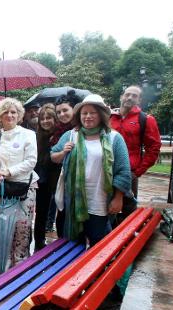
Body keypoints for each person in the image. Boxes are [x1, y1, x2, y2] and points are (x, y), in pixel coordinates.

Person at [51, 94, 132, 246]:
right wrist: (63, 153)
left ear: (101, 115)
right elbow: (53, 156)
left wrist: (118, 197)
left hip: (99, 202)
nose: (88, 116)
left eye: (92, 112)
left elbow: (123, 171)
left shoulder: (114, 138)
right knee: (74, 245)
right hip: (73, 202)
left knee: (100, 246)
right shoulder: (70, 136)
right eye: (84, 113)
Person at [0, 98, 38, 267]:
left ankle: (20, 264)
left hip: (25, 187)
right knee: (6, 226)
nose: (9, 115)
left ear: (19, 116)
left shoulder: (29, 134)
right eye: (6, 112)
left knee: (22, 228)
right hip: (4, 189)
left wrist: (7, 172)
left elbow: (31, 161)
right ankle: (5, 261)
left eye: (13, 112)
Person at [110, 85, 161, 221]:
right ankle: (105, 239)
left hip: (129, 173)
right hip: (106, 170)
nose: (130, 98)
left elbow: (154, 147)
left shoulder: (146, 119)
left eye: (134, 96)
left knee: (128, 212)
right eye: (127, 94)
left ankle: (127, 241)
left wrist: (138, 171)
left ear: (139, 100)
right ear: (121, 97)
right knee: (106, 209)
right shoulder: (109, 117)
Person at [51, 91, 81, 237]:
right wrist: (63, 153)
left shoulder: (83, 128)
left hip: (83, 182)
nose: (62, 114)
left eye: (65, 110)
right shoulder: (63, 132)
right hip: (63, 178)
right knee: (63, 214)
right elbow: (54, 154)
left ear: (74, 109)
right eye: (59, 112)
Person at [33, 104, 58, 250]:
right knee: (41, 213)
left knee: (59, 211)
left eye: (49, 118)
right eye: (42, 118)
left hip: (56, 179)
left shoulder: (59, 136)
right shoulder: (37, 136)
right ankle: (39, 242)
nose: (45, 121)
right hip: (41, 179)